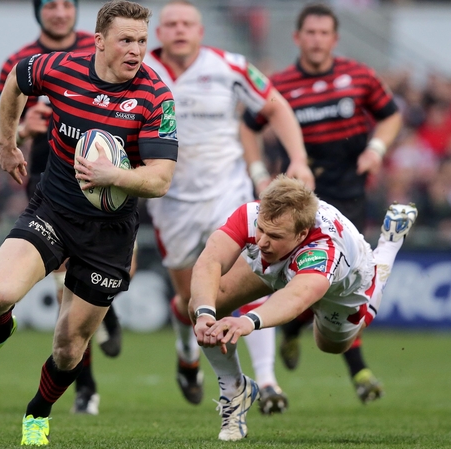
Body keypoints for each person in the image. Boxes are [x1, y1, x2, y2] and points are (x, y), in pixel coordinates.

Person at [0, 1, 178, 445]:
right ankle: (0, 330)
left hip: (109, 234)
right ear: (99, 42)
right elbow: (17, 79)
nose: (136, 50)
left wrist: (114, 176)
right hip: (53, 210)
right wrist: (6, 143)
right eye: (126, 40)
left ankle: (38, 412)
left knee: (68, 345)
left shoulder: (156, 96)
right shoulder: (61, 67)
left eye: (141, 41)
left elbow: (160, 180)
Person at [142, 0, 314, 414]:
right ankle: (187, 354)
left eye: (187, 23)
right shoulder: (141, 70)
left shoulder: (230, 66)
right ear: (159, 33)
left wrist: (298, 158)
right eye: (171, 24)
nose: (180, 30)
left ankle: (267, 382)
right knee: (192, 299)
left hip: (228, 193)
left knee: (253, 277)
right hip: (171, 200)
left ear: (200, 32)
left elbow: (275, 105)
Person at [240, 3, 403, 404]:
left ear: (335, 38)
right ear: (297, 38)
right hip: (299, 196)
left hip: (348, 192)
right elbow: (248, 125)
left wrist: (377, 149)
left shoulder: (359, 76)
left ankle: (344, 361)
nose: (316, 40)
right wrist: (258, 171)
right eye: (310, 33)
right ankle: (326, 349)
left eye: (323, 33)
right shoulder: (280, 84)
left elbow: (391, 116)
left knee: (348, 276)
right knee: (303, 276)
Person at [188, 175, 417, 441]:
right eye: (260, 229)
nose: (261, 242)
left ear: (301, 234)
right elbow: (210, 261)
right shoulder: (254, 214)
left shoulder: (324, 251)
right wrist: (205, 314)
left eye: (274, 235)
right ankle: (234, 390)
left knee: (331, 345)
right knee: (202, 303)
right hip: (287, 261)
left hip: (344, 286)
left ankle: (388, 247)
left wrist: (248, 321)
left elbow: (295, 297)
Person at [0, 0, 121, 415]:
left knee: (111, 270)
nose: (60, 12)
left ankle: (107, 312)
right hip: (51, 175)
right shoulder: (21, 60)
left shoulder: (102, 48)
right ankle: (86, 385)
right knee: (66, 287)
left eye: (67, 4)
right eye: (51, 5)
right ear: (38, 12)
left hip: (107, 177)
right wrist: (21, 130)